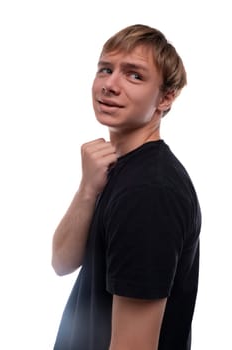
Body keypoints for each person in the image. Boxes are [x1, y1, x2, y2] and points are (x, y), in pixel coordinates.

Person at [52, 24, 201, 350]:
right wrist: (87, 189)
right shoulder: (117, 170)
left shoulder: (149, 192)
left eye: (134, 75)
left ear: (165, 97)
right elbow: (61, 262)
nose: (110, 85)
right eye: (106, 69)